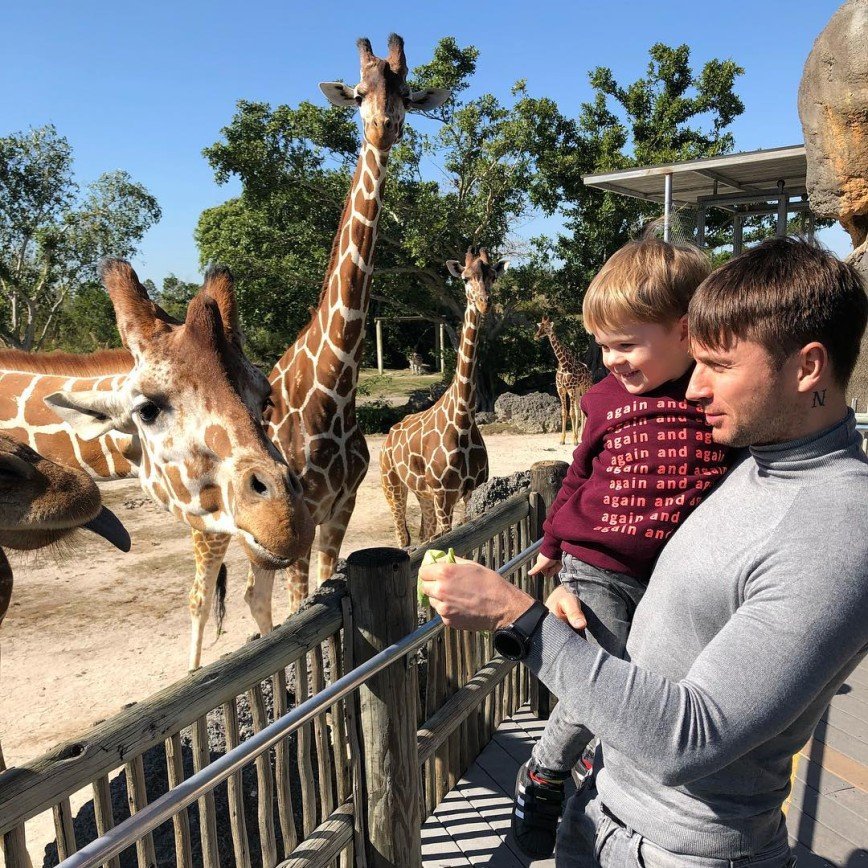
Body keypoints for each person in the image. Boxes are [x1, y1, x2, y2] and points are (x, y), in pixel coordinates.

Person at [420, 237, 868, 867]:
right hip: (603, 806)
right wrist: (578, 580)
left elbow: (689, 738)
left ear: (807, 367)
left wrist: (514, 619)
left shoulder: (841, 529)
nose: (692, 391)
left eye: (718, 365)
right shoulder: (755, 464)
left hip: (683, 849)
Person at [514, 235, 733, 859]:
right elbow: (578, 472)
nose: (612, 359)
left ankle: (593, 772)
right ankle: (544, 773)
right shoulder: (605, 401)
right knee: (604, 675)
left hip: (668, 573)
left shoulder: (709, 395)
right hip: (600, 564)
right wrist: (554, 541)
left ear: (686, 331)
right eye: (604, 345)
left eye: (627, 344)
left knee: (648, 683)